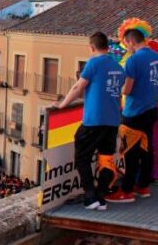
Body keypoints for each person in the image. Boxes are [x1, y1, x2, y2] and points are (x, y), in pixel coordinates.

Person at [54, 32, 124, 210]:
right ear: (107, 47)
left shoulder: (93, 63)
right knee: (106, 158)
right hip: (113, 120)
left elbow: (79, 86)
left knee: (81, 157)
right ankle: (101, 196)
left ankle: (90, 196)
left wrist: (62, 104)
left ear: (91, 47)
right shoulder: (118, 66)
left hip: (94, 120)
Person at [106, 28, 158, 203]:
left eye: (126, 44)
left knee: (130, 153)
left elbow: (127, 89)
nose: (126, 47)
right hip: (151, 110)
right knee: (146, 150)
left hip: (134, 112)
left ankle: (126, 191)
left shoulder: (133, 61)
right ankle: (143, 186)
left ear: (131, 41)